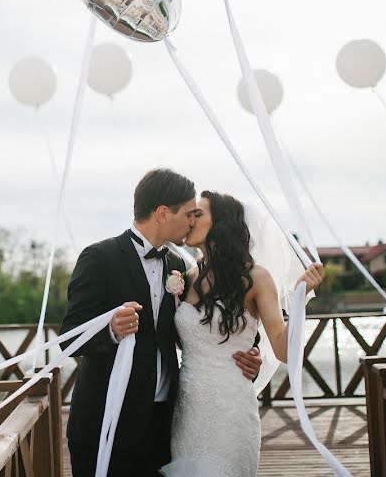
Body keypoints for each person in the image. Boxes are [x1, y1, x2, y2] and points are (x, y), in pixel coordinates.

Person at [61, 169, 263, 477]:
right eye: (188, 214)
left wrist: (251, 351)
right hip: (107, 423)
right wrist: (111, 330)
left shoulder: (178, 265)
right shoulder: (100, 258)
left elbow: (211, 322)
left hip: (165, 425)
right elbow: (69, 338)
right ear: (163, 213)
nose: (192, 222)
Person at [160, 190, 324, 477]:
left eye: (198, 214)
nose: (190, 219)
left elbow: (285, 351)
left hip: (230, 408)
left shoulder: (256, 278)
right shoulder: (189, 276)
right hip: (187, 411)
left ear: (221, 224)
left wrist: (299, 299)